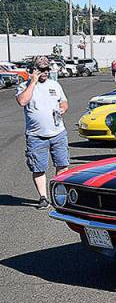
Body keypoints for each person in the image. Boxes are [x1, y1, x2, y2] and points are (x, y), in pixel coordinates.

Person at [15, 56, 69, 210]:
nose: (44, 72)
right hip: (36, 135)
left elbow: (64, 101)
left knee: (62, 164)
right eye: (40, 69)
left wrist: (63, 108)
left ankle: (60, 196)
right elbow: (22, 101)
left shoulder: (55, 85)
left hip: (58, 133)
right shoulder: (24, 86)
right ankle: (43, 198)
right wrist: (33, 82)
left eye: (46, 69)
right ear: (33, 70)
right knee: (38, 167)